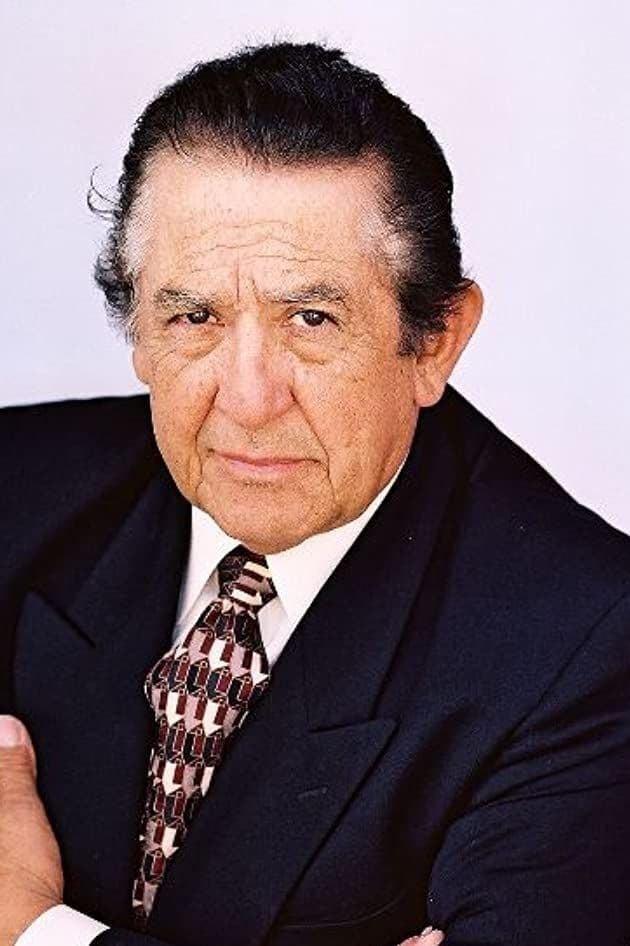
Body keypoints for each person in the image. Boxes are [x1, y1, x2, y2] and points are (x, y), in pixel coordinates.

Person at [1, 40, 629, 946]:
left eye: (311, 319)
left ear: (436, 342)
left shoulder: (587, 642)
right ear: (138, 329)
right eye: (194, 316)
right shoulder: (17, 486)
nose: (248, 400)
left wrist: (32, 929)